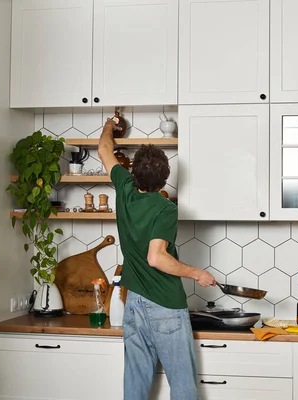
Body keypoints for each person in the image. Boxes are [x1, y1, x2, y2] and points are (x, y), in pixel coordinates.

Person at [98, 117, 216, 400]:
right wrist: (197, 273)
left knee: (135, 384)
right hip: (165, 304)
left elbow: (103, 149)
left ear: (133, 171)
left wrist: (108, 126)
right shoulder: (165, 209)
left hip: (134, 303)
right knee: (183, 385)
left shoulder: (124, 188)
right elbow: (156, 258)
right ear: (165, 179)